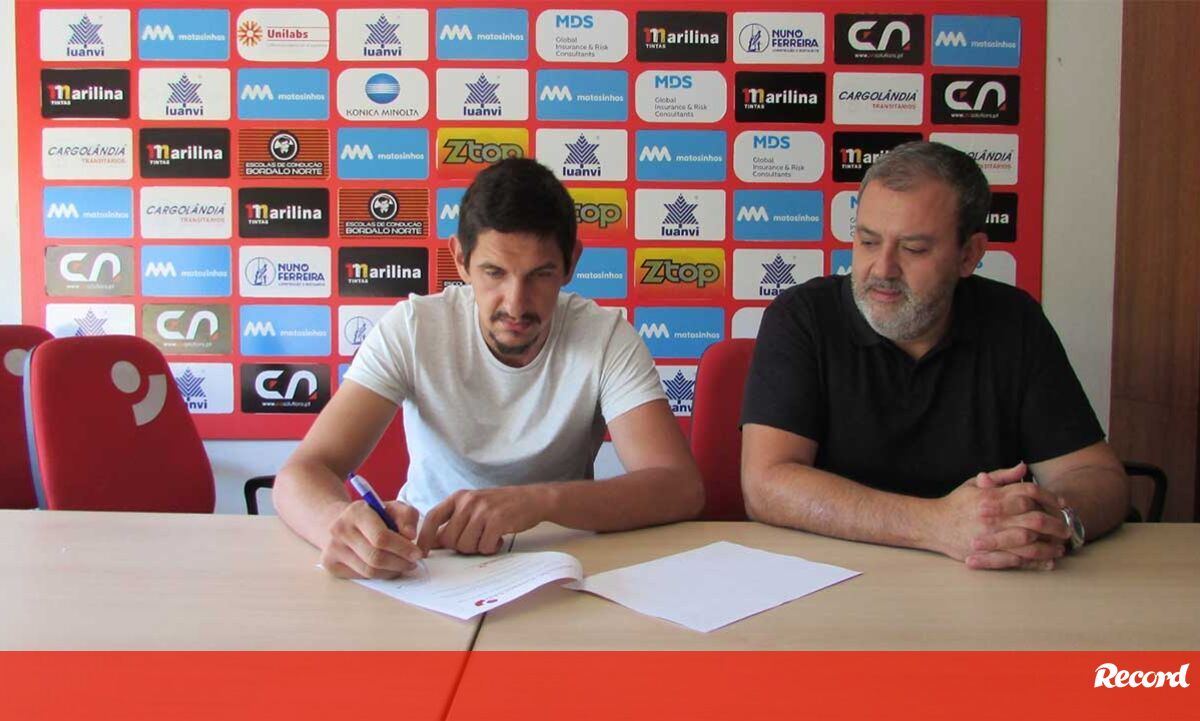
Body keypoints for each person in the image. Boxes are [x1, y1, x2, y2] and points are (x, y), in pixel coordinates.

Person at [274, 158, 704, 578]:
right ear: (460, 259)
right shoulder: (414, 327)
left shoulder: (605, 337)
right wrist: (338, 527)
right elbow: (301, 474)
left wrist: (541, 502)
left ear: (571, 263)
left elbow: (680, 487)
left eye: (540, 274)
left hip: (557, 558)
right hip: (425, 562)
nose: (515, 304)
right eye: (494, 273)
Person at [740, 141, 1129, 571]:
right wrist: (934, 525)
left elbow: (1097, 477)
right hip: (831, 576)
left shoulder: (1014, 321)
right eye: (868, 241)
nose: (882, 269)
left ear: (969, 255)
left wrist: (1048, 520)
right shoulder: (803, 317)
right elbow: (766, 484)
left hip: (985, 579)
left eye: (914, 249)